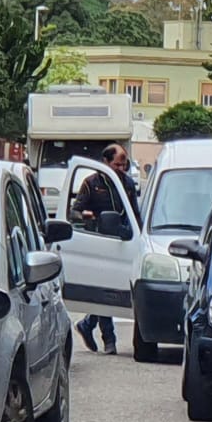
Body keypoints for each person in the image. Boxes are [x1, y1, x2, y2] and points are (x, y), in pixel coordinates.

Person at [74, 142, 140, 354]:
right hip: (99, 242)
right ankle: (109, 339)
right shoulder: (91, 183)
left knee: (113, 291)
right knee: (106, 290)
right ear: (106, 162)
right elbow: (75, 211)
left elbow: (136, 215)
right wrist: (87, 217)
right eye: (117, 165)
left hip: (122, 242)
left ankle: (87, 324)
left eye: (124, 165)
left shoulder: (128, 184)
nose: (121, 169)